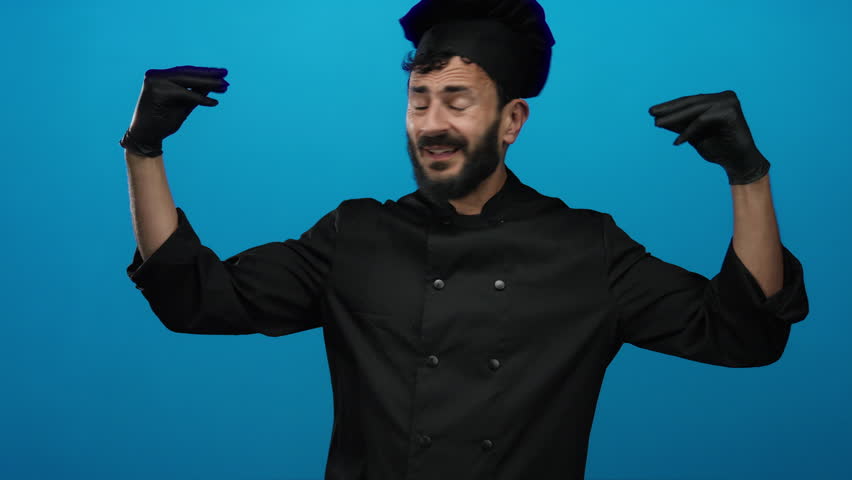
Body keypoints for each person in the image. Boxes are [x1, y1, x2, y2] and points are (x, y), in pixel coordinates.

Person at [121, 1, 809, 479]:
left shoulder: (585, 248)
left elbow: (743, 334)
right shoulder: (354, 235)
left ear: (511, 120)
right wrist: (144, 149)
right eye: (419, 100)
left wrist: (748, 178)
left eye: (456, 100)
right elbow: (193, 299)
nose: (431, 123)